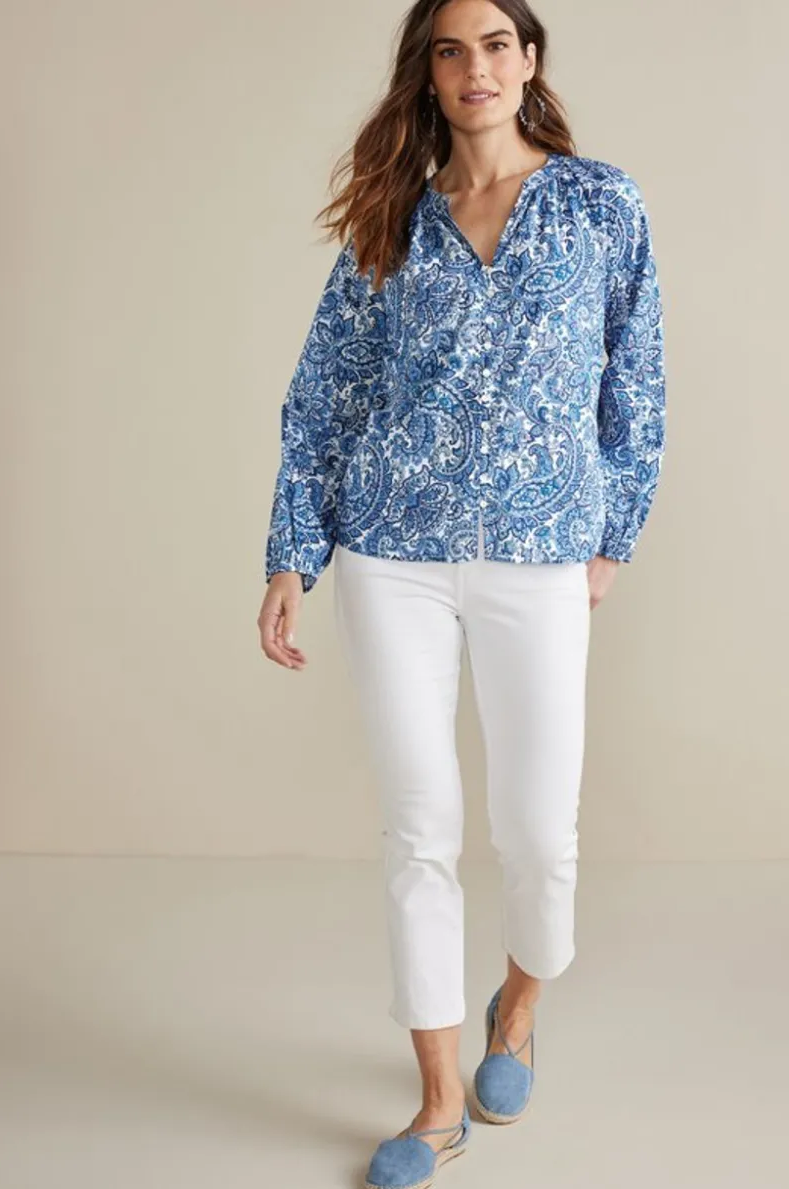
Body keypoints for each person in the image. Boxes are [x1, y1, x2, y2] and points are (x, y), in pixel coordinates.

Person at [258, 1, 666, 1185]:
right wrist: (292, 553)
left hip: (540, 553)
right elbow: (327, 393)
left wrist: (611, 537)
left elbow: (637, 380)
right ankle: (437, 1103)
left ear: (528, 61)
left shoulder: (601, 204)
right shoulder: (393, 219)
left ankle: (518, 1009)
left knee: (538, 832)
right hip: (392, 552)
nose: (475, 67)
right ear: (428, 75)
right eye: (451, 50)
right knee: (419, 825)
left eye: (495, 45)